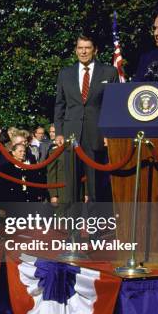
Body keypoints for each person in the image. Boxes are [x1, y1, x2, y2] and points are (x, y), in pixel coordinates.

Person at [53, 34, 119, 203]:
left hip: (96, 136)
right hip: (70, 136)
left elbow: (114, 107)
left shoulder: (109, 72)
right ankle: (73, 230)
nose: (83, 52)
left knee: (96, 187)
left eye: (87, 48)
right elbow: (60, 104)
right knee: (71, 189)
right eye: (80, 48)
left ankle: (94, 229)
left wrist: (109, 133)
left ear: (95, 50)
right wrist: (59, 132)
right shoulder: (65, 73)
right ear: (75, 50)